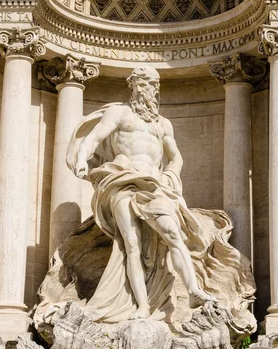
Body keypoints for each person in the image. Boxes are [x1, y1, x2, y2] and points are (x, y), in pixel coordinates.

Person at [67, 66, 216, 322]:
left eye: (152, 85)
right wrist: (82, 158)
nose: (147, 89)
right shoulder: (119, 113)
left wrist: (170, 176)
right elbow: (93, 138)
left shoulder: (163, 124)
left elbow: (175, 156)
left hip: (154, 185)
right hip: (122, 181)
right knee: (131, 245)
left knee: (173, 234)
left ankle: (193, 290)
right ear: (133, 86)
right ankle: (142, 307)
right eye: (142, 84)